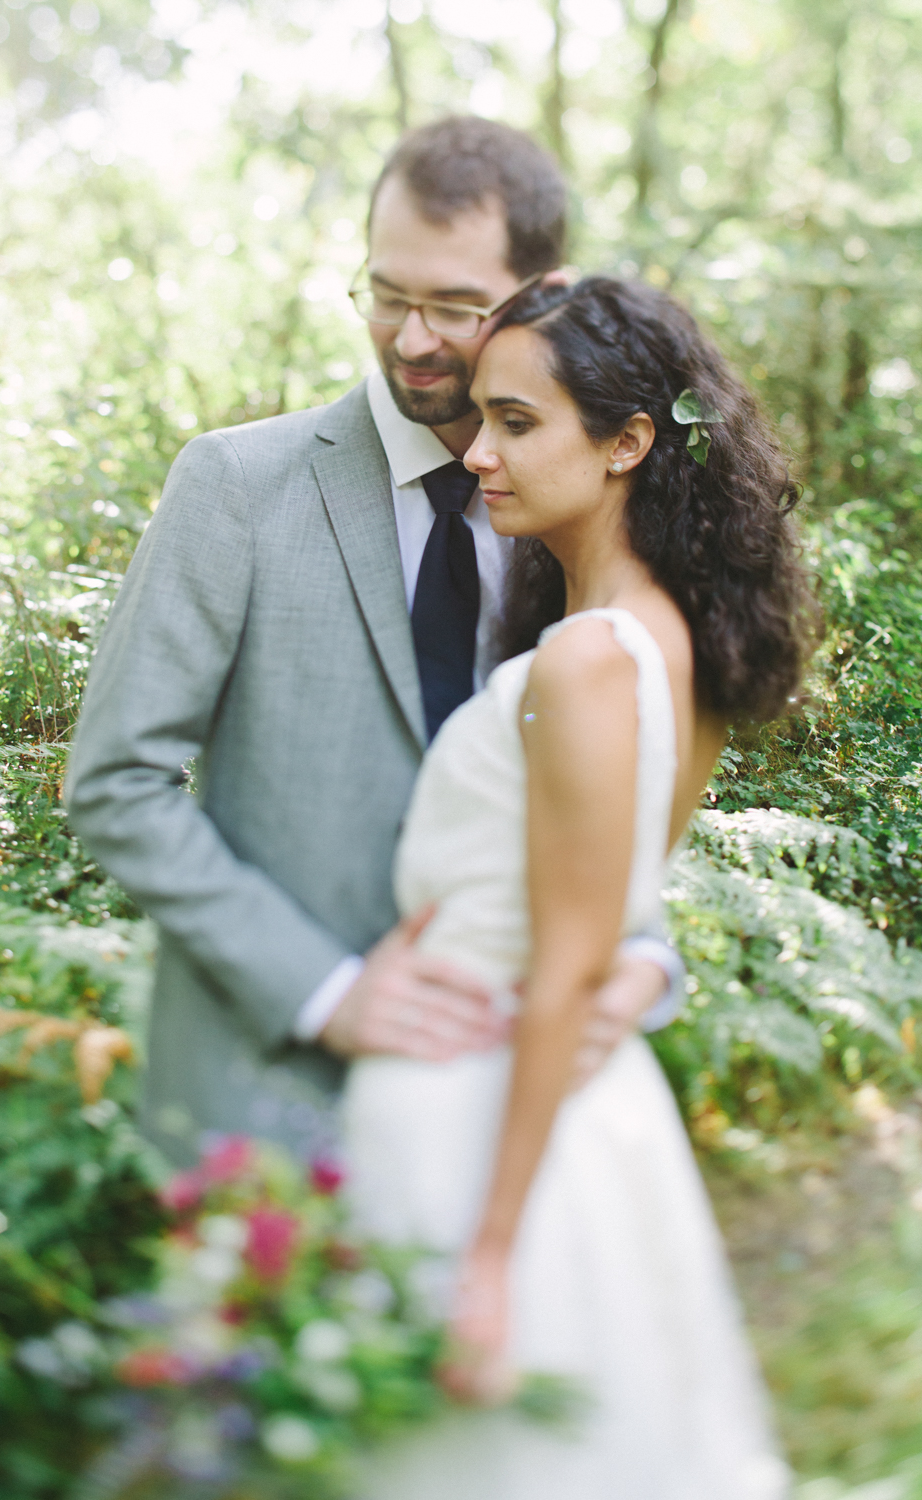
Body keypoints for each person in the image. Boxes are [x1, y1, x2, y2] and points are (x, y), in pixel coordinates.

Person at [64, 117, 682, 1166]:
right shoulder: (236, 487)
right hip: (262, 1098)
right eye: (388, 293)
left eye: (454, 306)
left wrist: (642, 960)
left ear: (542, 294)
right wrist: (326, 992)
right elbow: (114, 782)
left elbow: (594, 769)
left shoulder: (573, 510)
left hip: (501, 1096)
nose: (410, 338)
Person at [343, 276, 814, 1498]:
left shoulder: (596, 658)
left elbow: (563, 968)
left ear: (626, 442)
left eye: (515, 423)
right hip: (528, 1103)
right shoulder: (659, 634)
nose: (480, 456)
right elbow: (616, 918)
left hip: (495, 1131)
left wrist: (487, 1254)